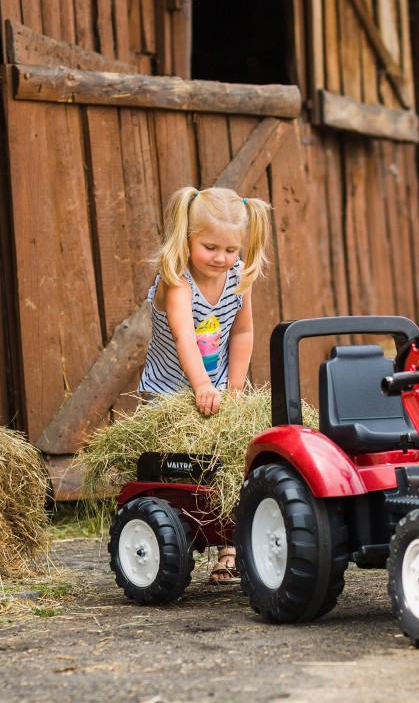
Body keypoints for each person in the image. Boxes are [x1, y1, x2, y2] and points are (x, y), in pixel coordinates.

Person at [139, 185, 271, 583]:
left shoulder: (239, 275)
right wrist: (200, 386)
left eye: (231, 249)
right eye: (210, 247)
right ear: (188, 237)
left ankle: (231, 545)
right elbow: (184, 336)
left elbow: (242, 333)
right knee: (181, 470)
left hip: (215, 388)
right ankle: (173, 538)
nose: (221, 258)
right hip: (169, 393)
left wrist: (234, 389)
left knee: (230, 461)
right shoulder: (176, 279)